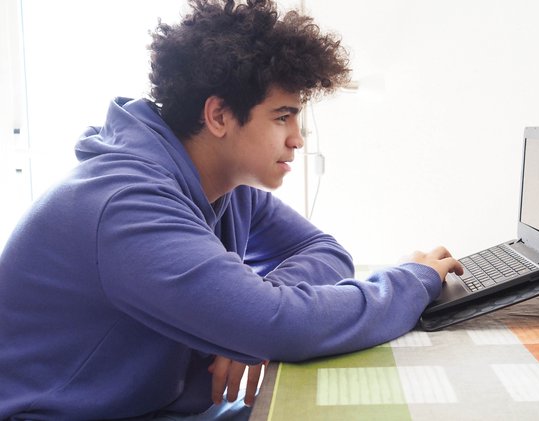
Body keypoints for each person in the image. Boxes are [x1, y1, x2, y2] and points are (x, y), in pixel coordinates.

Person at [0, 0, 462, 419]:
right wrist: (412, 280)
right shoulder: (126, 204)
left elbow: (324, 252)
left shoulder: (224, 185)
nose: (297, 138)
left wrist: (246, 320)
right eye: (282, 116)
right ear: (219, 116)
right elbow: (280, 325)